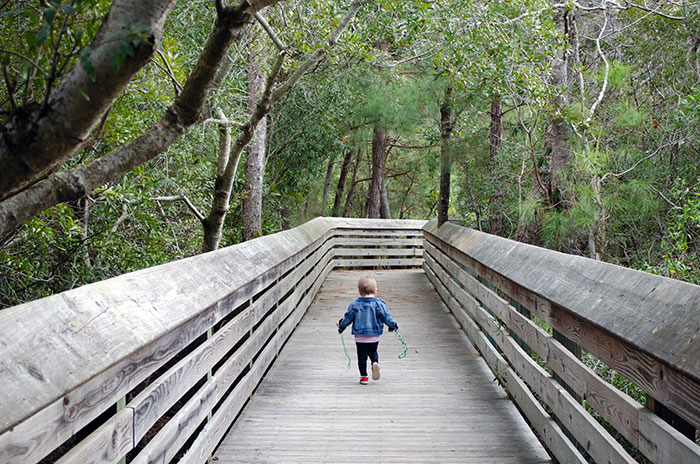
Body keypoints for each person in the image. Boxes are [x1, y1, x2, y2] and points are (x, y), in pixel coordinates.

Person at [336, 276, 399, 385]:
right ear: (375, 290)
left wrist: (341, 326)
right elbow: (386, 317)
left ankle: (364, 377)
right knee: (373, 352)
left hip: (360, 337)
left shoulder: (355, 305)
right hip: (374, 335)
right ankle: (375, 363)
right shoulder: (379, 304)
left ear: (359, 292)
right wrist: (393, 325)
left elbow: (348, 318)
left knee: (362, 357)